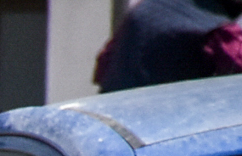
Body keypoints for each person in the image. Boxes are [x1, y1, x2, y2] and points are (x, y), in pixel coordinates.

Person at [96, 0, 242, 89]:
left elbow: (104, 66)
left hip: (108, 116)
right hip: (160, 126)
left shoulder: (147, 8)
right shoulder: (219, 34)